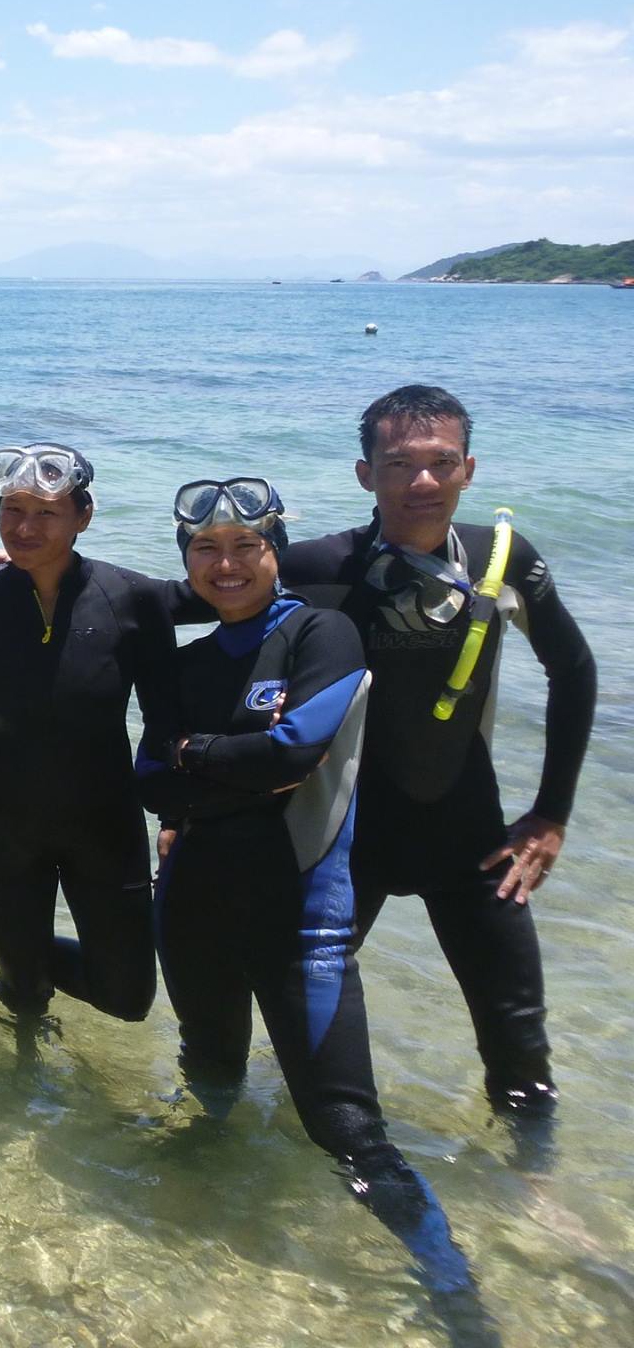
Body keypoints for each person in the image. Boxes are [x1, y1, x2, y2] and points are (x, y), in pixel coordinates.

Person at [136, 477, 478, 1297]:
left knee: (348, 1129)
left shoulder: (323, 634)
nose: (225, 564)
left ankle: (454, 1294)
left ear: (275, 553)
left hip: (301, 922)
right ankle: (195, 1245)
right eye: (205, 549)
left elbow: (295, 751)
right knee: (211, 1077)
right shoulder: (186, 661)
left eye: (245, 546)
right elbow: (150, 779)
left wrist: (198, 756)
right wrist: (237, 766)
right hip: (191, 907)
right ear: (187, 561)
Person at [268, 384, 594, 1118]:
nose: (423, 481)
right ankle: (318, 1148)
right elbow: (196, 608)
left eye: (442, 462)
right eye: (399, 464)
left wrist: (551, 815)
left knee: (520, 1046)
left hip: (468, 837)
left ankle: (530, 1174)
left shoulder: (500, 559)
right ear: (365, 474)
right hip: (348, 840)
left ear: (468, 470)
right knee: (303, 1022)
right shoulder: (316, 568)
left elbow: (573, 669)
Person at [0, 445, 172, 1025]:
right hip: (2, 819)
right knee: (24, 993)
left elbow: (166, 722)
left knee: (127, 998)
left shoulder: (132, 598)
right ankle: (17, 1073)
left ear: (83, 516)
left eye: (46, 513)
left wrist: (175, 818)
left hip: (105, 823)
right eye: (12, 509)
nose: (24, 527)